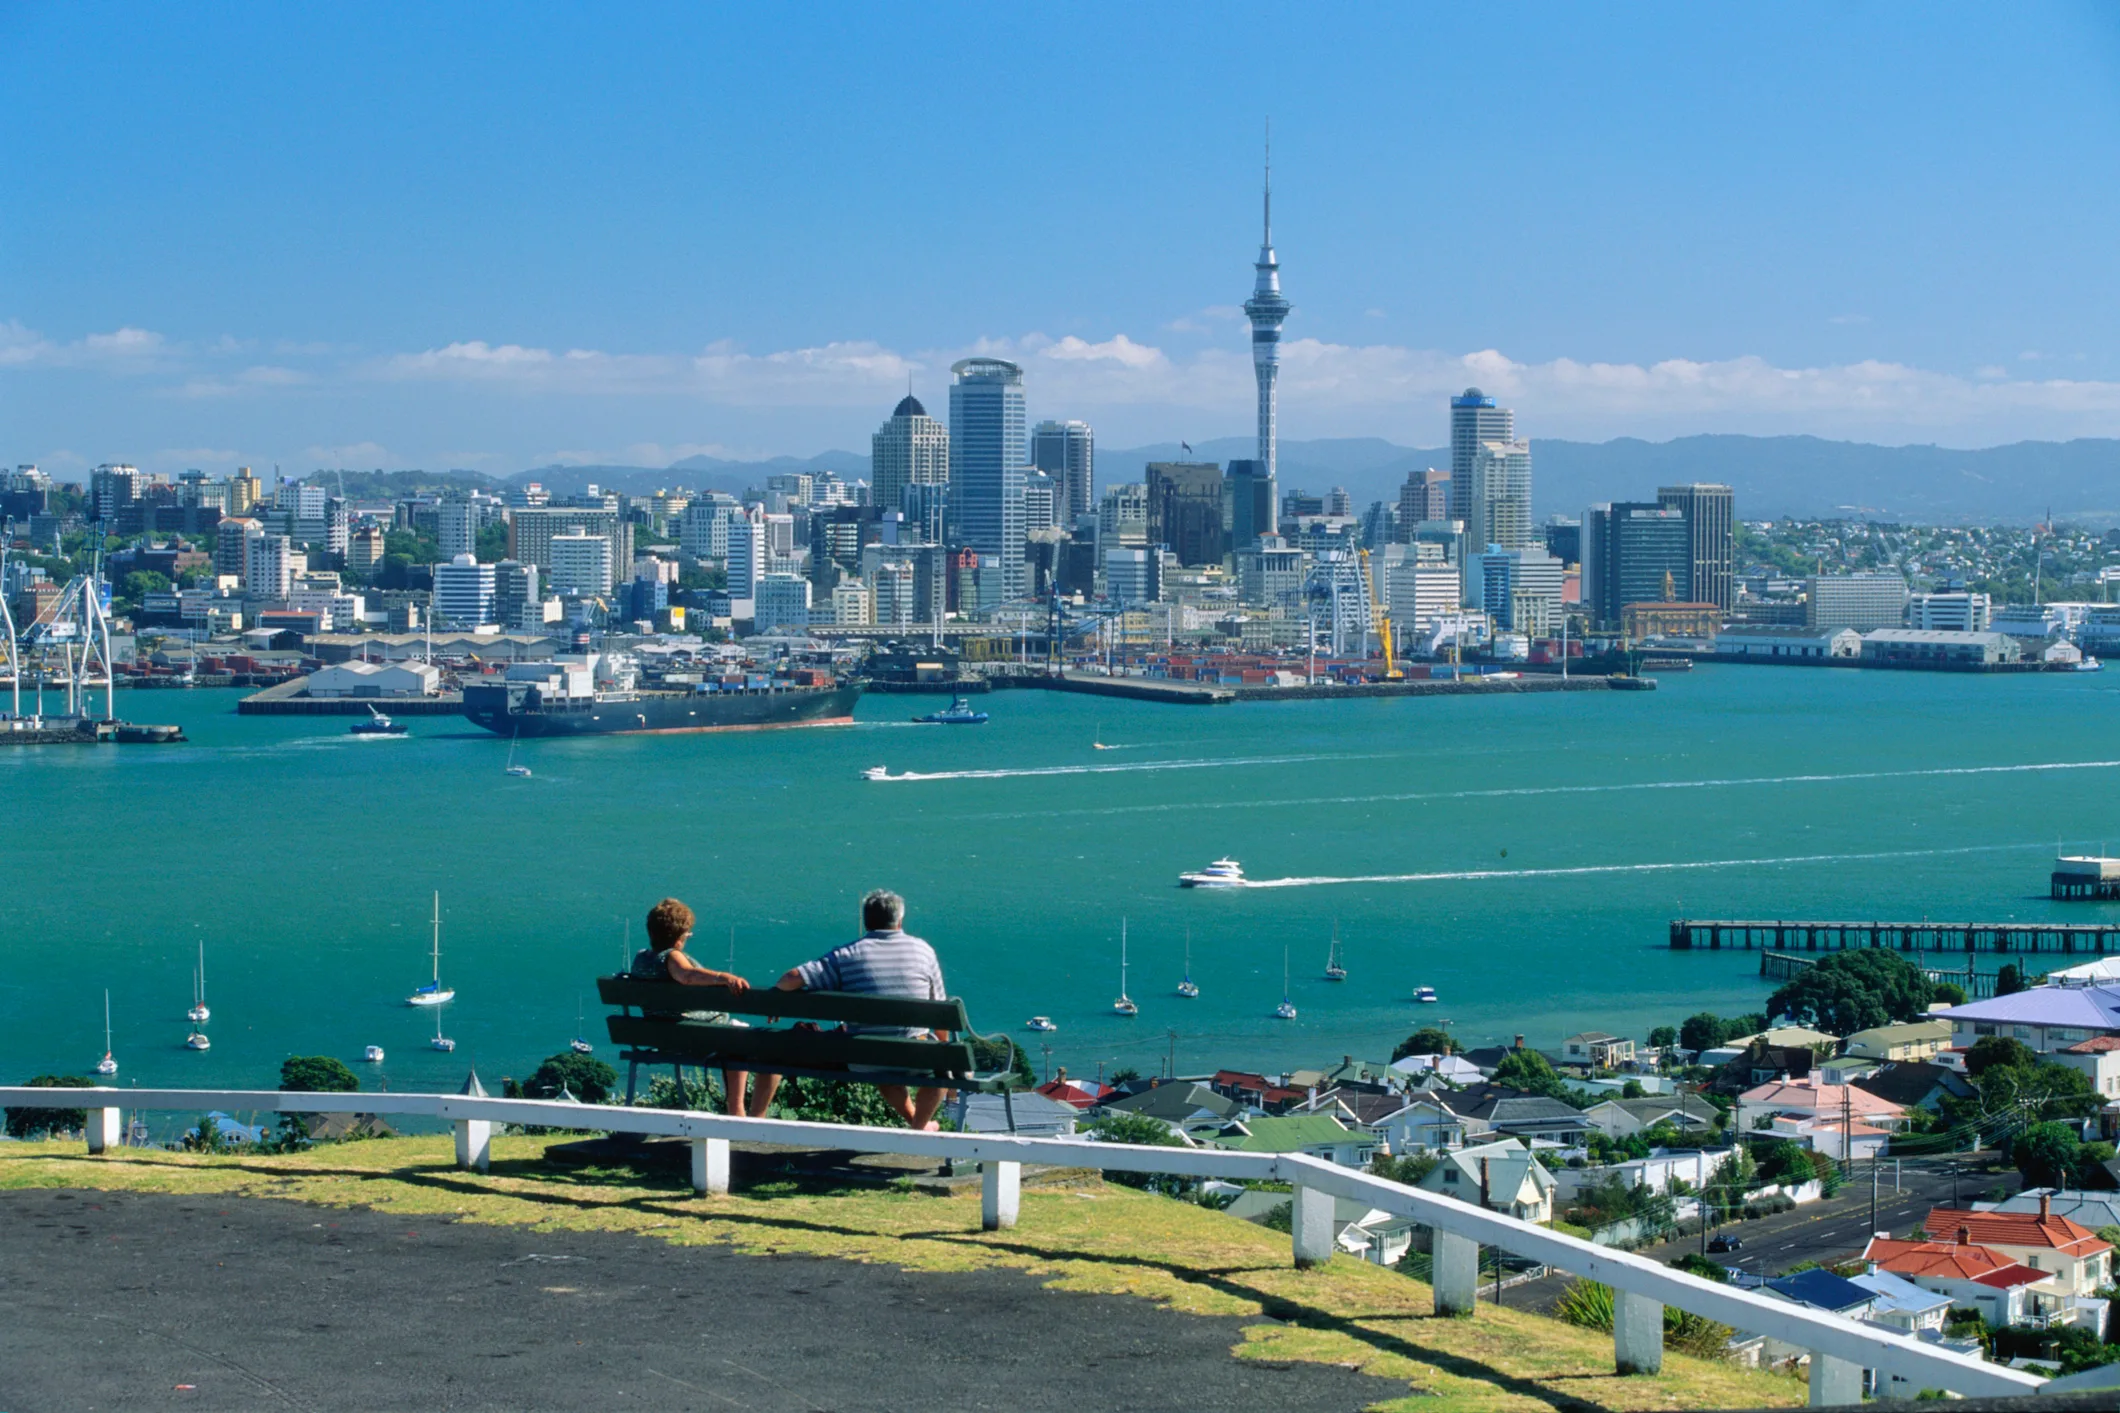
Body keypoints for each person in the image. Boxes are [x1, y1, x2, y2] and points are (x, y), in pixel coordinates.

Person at [748, 889, 951, 1129]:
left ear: (866, 921)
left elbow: (793, 977)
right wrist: (943, 1049)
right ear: (899, 920)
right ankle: (919, 1126)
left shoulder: (846, 955)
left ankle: (755, 1123)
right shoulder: (923, 951)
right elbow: (940, 1013)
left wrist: (776, 998)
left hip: (863, 1058)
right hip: (912, 1056)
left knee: (776, 1048)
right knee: (941, 1071)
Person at [628, 897, 753, 1116]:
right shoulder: (672, 956)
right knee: (741, 1034)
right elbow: (686, 975)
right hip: (690, 1037)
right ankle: (737, 1110)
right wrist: (723, 977)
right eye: (687, 933)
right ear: (679, 935)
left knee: (735, 1032)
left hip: (659, 1035)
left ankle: (737, 1110)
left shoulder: (641, 959)